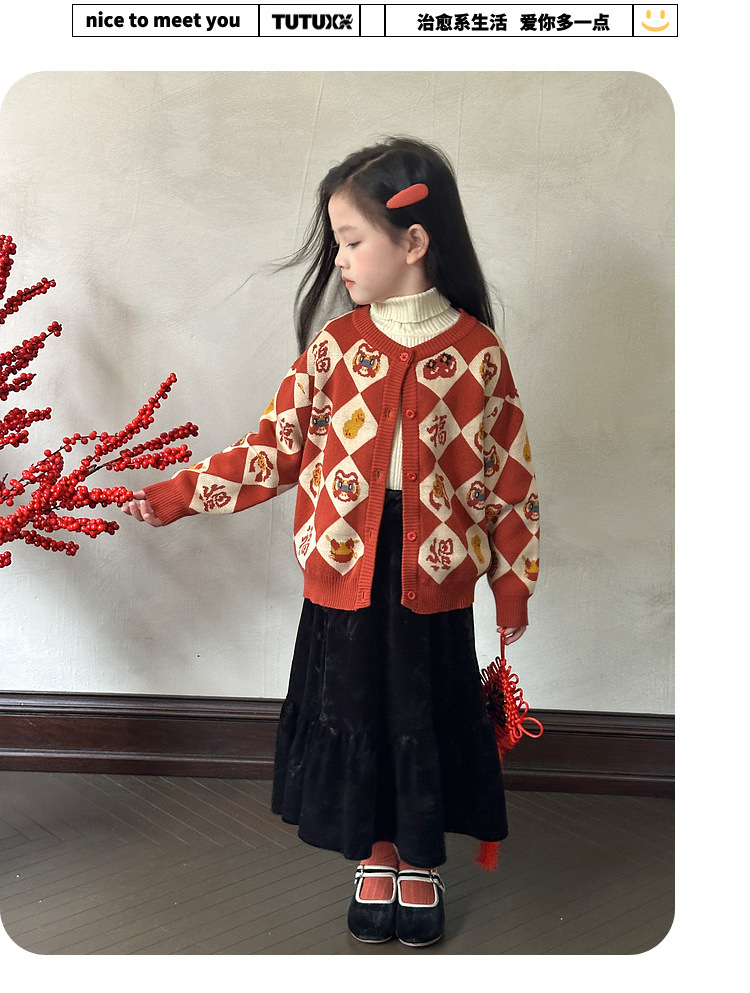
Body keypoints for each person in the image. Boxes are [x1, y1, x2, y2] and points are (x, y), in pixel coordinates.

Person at [122, 136, 540, 948]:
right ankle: (374, 853)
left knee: (422, 712)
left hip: (433, 578)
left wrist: (512, 583)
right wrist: (178, 494)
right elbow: (274, 449)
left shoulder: (478, 356)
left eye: (351, 241)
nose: (340, 260)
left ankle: (419, 859)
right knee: (354, 710)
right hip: (345, 572)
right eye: (338, 244)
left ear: (412, 241)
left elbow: (509, 477)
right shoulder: (335, 349)